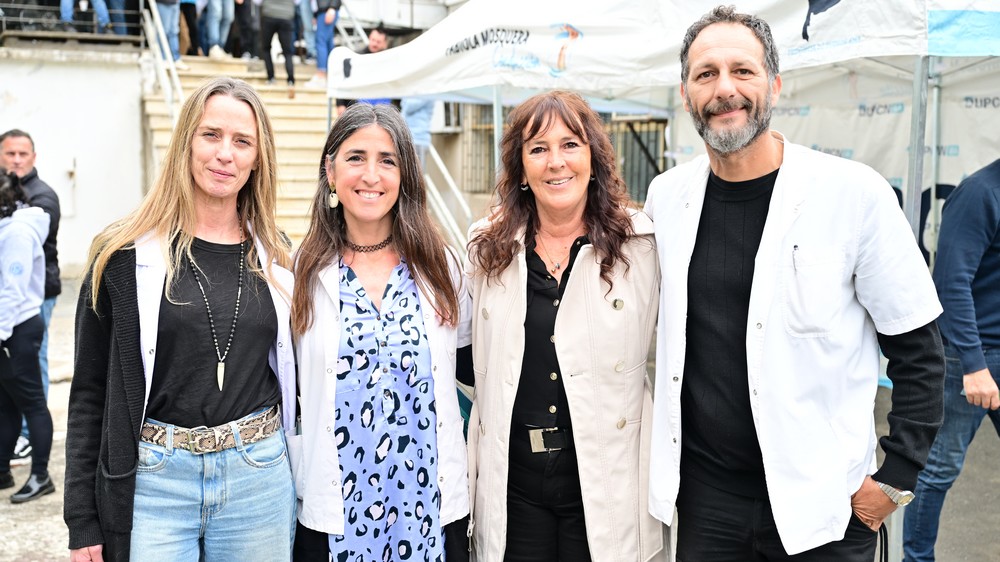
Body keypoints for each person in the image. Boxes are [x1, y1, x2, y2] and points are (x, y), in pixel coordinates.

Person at [644, 6, 946, 560]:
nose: (724, 88)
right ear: (686, 94)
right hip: (707, 506)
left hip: (826, 508)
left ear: (775, 86)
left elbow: (920, 350)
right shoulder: (667, 198)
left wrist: (894, 481)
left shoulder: (852, 193)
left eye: (743, 70)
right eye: (705, 73)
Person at [64, 77, 296, 562]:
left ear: (258, 158)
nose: (225, 155)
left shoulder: (278, 256)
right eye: (210, 135)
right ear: (186, 141)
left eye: (242, 141)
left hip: (257, 476)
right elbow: (88, 391)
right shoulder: (120, 256)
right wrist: (82, 519)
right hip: (155, 481)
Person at [466, 90, 664, 561]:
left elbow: (671, 351)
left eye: (570, 145)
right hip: (515, 483)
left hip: (603, 479)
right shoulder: (487, 247)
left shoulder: (640, 244)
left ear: (593, 158)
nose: (556, 162)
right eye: (538, 149)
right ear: (521, 170)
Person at [289, 103, 471, 561]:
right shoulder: (299, 274)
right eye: (355, 158)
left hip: (429, 511)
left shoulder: (444, 269)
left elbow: (473, 369)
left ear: (405, 175)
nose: (371, 174)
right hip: (336, 518)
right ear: (330, 172)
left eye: (387, 160)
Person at [903, 159, 1000, 561]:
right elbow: (950, 283)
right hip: (972, 358)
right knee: (938, 470)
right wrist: (975, 366)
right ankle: (917, 558)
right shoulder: (981, 193)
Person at [0, 129, 61, 467]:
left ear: (33, 158)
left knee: (33, 365)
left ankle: (28, 436)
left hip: (37, 294)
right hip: (17, 297)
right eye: (10, 154)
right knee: (13, 377)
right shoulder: (9, 191)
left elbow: (21, 258)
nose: (17, 159)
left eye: (23, 154)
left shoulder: (41, 196)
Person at [329, 26, 393, 113]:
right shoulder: (356, 57)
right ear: (369, 38)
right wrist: (340, 104)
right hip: (356, 108)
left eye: (378, 42)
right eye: (373, 40)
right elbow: (343, 79)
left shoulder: (389, 61)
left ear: (385, 44)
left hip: (382, 107)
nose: (374, 44)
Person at [257, 0, 296, 99]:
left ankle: (271, 78)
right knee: (288, 52)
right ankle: (290, 81)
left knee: (266, 48)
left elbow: (257, 2)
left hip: (269, 15)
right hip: (286, 16)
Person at [303, 0, 340, 88]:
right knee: (327, 43)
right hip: (324, 10)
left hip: (327, 10)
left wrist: (332, 8)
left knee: (321, 42)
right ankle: (329, 76)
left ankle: (321, 75)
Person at [401, 97, 434, 170]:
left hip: (419, 139)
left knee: (417, 175)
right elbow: (403, 103)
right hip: (407, 138)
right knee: (406, 172)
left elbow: (409, 106)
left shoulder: (426, 92)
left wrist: (406, 98)